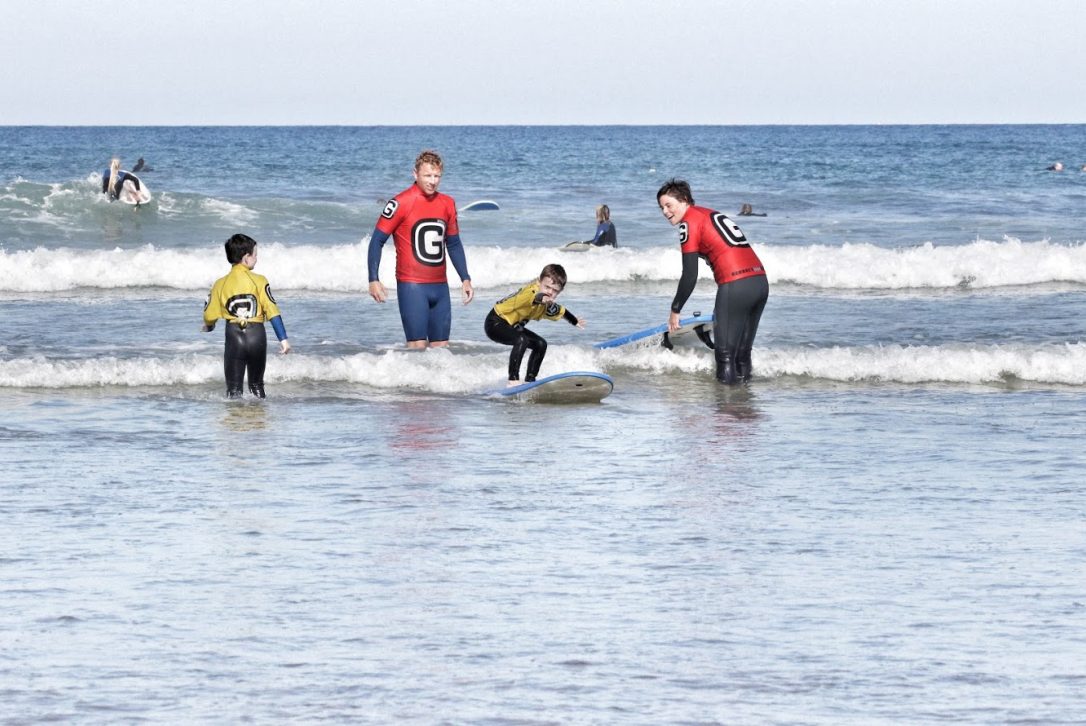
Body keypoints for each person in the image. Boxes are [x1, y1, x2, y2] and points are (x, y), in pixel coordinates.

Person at [656, 178, 768, 385]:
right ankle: (744, 407)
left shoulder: (688, 222)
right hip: (760, 282)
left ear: (684, 201)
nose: (664, 211)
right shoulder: (709, 213)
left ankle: (725, 410)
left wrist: (675, 309)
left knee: (725, 355)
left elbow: (690, 275)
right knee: (742, 353)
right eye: (661, 207)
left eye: (668, 205)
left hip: (736, 285)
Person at [367, 150, 474, 348]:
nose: (433, 181)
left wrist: (465, 278)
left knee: (442, 349)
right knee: (417, 348)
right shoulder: (400, 203)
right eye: (427, 176)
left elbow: (453, 243)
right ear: (415, 174)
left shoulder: (447, 203)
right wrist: (373, 279)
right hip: (412, 286)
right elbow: (377, 241)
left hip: (440, 286)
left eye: (437, 176)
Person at [202, 233, 291, 398]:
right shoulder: (260, 280)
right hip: (257, 335)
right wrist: (283, 339)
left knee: (234, 390)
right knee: (257, 386)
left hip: (234, 336)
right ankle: (258, 420)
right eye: (255, 255)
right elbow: (272, 310)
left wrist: (209, 326)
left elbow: (209, 314)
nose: (256, 259)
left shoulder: (220, 283)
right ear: (246, 257)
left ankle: (235, 421)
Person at [485, 263, 586, 385]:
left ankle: (530, 380)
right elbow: (536, 296)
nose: (550, 292)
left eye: (555, 291)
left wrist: (574, 321)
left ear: (560, 291)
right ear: (539, 282)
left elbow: (562, 311)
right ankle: (513, 380)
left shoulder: (547, 305)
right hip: (495, 323)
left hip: (512, 326)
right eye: (547, 287)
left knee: (540, 344)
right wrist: (542, 298)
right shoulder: (530, 291)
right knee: (522, 340)